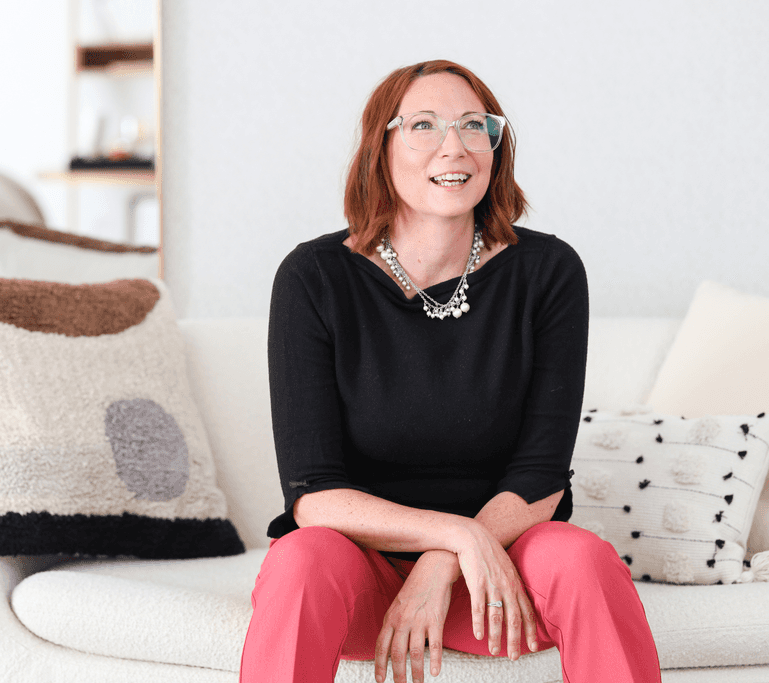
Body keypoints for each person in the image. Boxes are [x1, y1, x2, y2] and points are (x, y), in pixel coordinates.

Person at [239, 60, 662, 683]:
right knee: (302, 561)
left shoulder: (547, 271)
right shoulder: (313, 278)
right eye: (425, 125)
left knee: (583, 560)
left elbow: (541, 475)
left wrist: (453, 556)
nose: (455, 146)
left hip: (499, 579)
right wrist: (454, 536)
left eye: (473, 125)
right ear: (379, 148)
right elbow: (315, 495)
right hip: (363, 576)